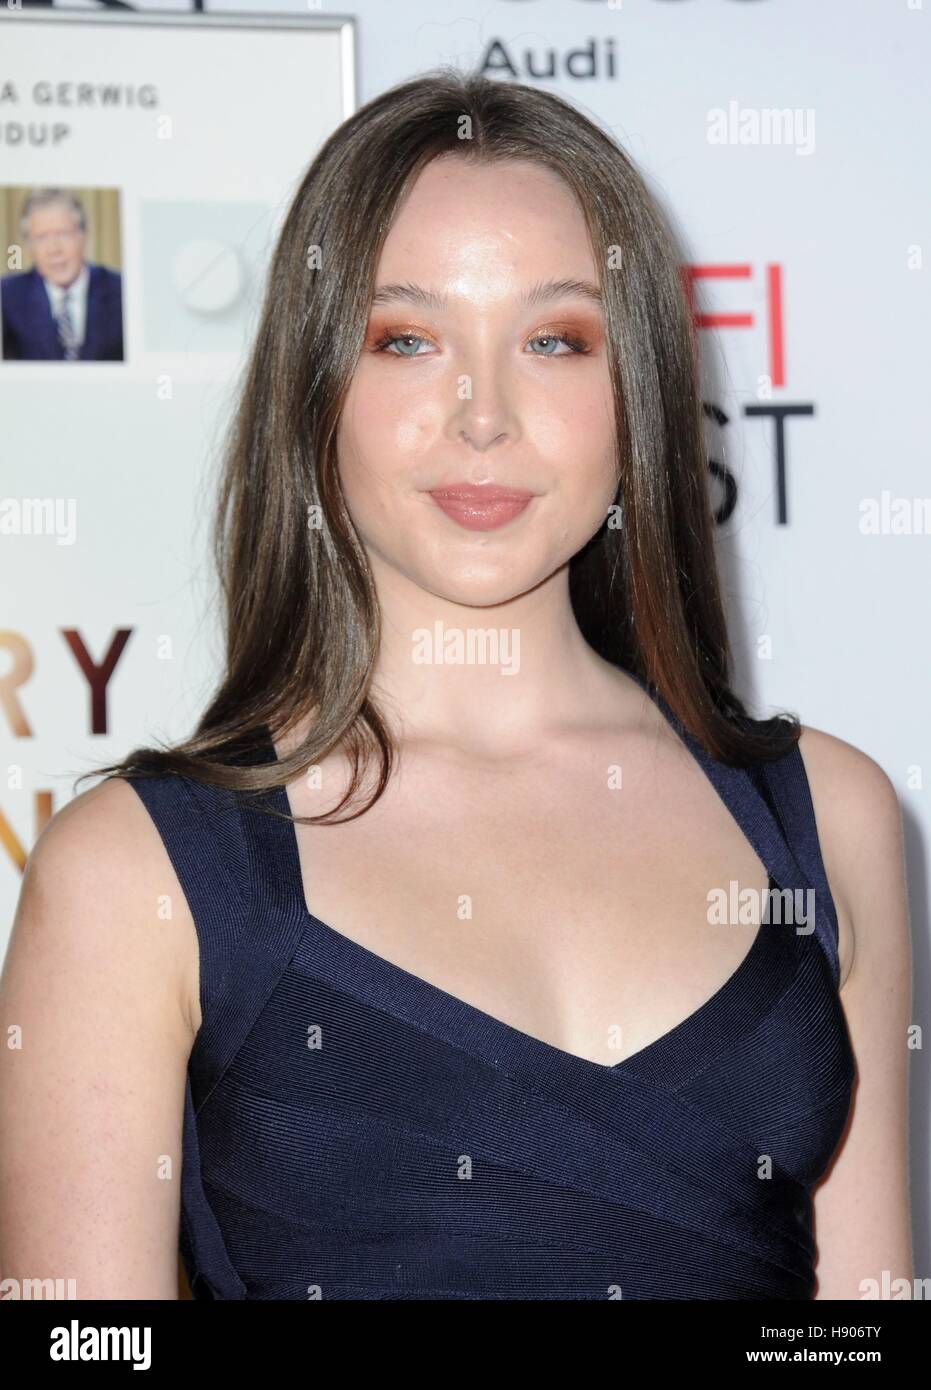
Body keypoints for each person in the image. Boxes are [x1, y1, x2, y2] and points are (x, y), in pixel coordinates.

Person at [0, 71, 913, 1301]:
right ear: (313, 394)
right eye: (408, 339)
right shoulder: (137, 875)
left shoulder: (829, 816)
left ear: (634, 395)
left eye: (553, 340)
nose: (483, 416)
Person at [0, 188, 124, 362]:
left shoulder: (122, 291)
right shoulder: (7, 297)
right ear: (28, 245)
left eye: (64, 234)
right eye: (42, 238)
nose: (54, 250)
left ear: (83, 235)